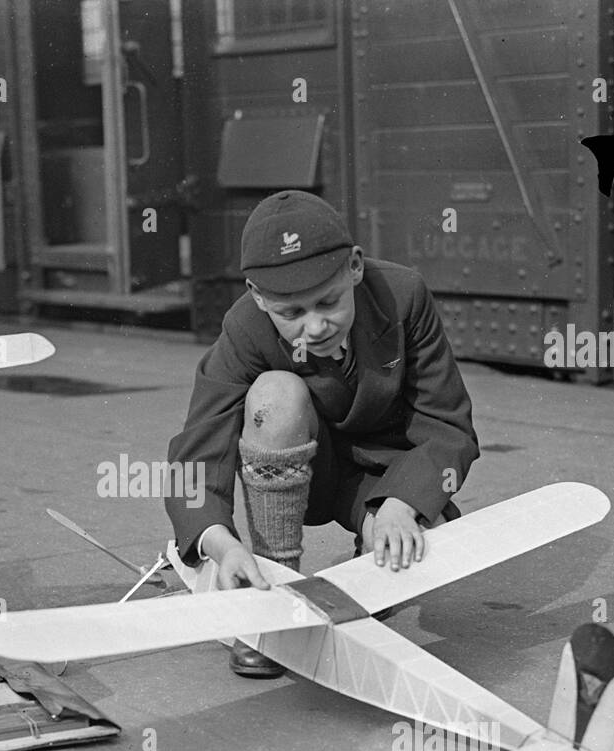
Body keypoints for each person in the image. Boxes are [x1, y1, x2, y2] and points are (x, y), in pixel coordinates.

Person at [164, 190, 480, 677]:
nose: (315, 326)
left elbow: (448, 423)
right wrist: (221, 545)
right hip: (299, 473)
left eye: (329, 301)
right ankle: (274, 594)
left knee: (424, 545)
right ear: (257, 295)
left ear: (354, 266)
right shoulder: (245, 327)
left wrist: (401, 505)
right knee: (275, 395)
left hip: (384, 480)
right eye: (291, 313)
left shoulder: (403, 295)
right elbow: (199, 448)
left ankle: (369, 566)